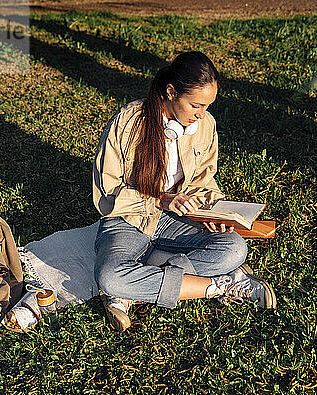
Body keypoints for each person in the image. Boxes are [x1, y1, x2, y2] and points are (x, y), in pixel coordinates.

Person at [92, 51, 276, 332]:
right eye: (195, 106)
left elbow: (205, 180)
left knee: (234, 247)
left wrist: (214, 212)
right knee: (108, 277)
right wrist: (160, 199)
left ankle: (136, 284)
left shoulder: (206, 126)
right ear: (171, 92)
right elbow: (106, 192)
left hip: (177, 221)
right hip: (127, 219)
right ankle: (218, 286)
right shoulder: (128, 122)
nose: (202, 114)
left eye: (206, 106)